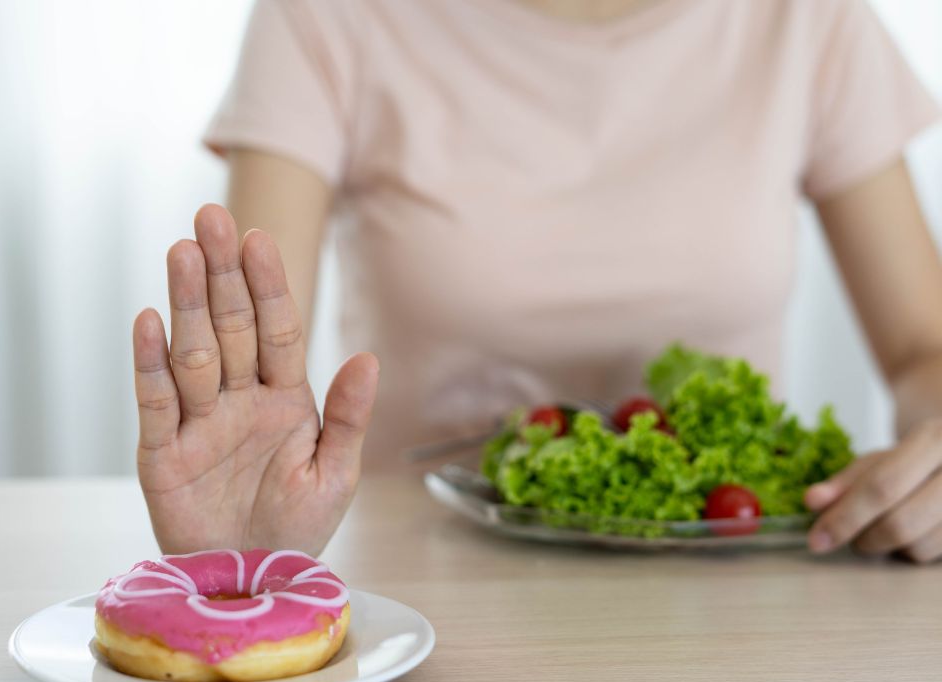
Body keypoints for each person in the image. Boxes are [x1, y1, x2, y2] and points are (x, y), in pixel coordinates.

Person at [131, 0, 942, 562]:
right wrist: (243, 554)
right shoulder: (325, 17)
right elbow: (255, 381)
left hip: (726, 595)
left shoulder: (806, 19)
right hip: (426, 595)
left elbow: (922, 348)